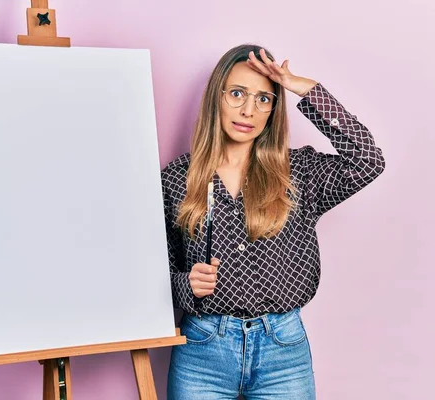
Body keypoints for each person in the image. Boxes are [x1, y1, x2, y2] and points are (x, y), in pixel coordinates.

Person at [160, 44, 385, 400]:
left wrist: (302, 87)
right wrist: (186, 283)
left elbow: (367, 161)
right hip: (202, 350)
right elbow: (156, 276)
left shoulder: (300, 173)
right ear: (215, 98)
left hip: (282, 349)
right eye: (237, 94)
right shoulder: (176, 179)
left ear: (273, 110)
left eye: (263, 99)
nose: (249, 110)